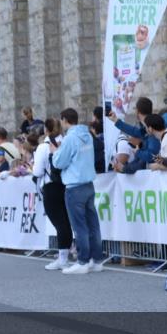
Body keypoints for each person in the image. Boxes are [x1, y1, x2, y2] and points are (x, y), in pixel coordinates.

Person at [51, 108, 105, 274]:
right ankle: (97, 260)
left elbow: (59, 163)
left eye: (61, 121)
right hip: (88, 183)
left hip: (74, 186)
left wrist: (55, 152)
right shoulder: (87, 134)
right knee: (93, 225)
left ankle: (83, 261)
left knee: (79, 226)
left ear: (65, 120)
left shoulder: (70, 138)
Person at [32, 117, 72, 270]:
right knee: (65, 222)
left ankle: (63, 259)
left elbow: (37, 171)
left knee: (59, 223)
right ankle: (64, 256)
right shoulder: (66, 142)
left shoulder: (44, 146)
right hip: (66, 184)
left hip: (51, 186)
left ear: (46, 130)